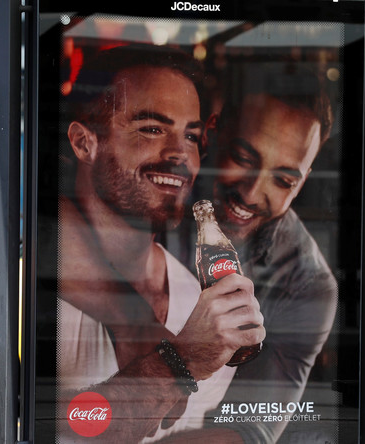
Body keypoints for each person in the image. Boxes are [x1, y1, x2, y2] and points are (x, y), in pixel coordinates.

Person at [55, 44, 265, 442]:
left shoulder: (199, 305)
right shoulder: (32, 287)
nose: (179, 153)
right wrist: (177, 363)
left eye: (192, 135)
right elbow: (72, 431)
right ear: (84, 143)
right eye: (151, 128)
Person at [201, 80, 338, 442]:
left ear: (302, 183)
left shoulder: (307, 282)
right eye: (244, 159)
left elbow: (249, 429)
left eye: (282, 180)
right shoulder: (161, 195)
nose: (249, 192)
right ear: (213, 133)